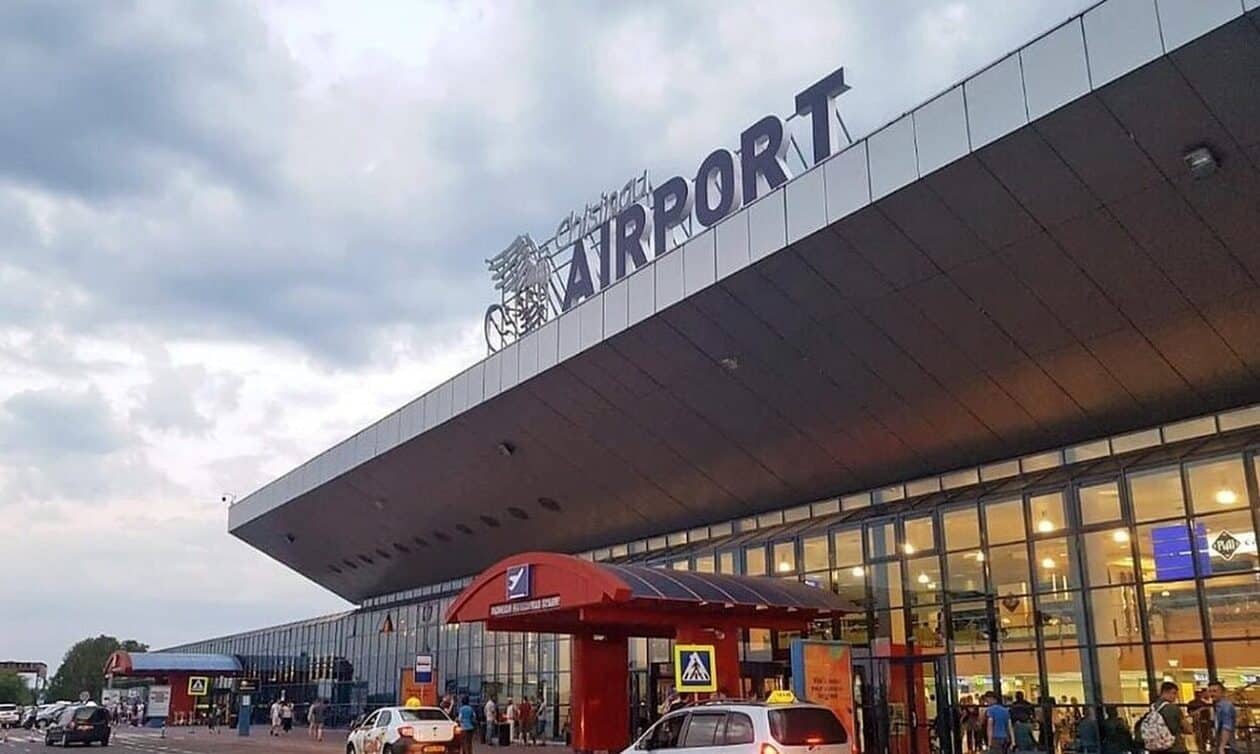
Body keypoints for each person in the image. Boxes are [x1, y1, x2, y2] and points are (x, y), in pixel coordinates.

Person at [1143, 682, 1188, 754]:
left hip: (1156, 747)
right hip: (1174, 747)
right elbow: (1187, 728)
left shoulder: (1153, 707)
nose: (1175, 697)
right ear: (1165, 692)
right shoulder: (1173, 708)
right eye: (1174, 693)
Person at [1208, 681, 1237, 754]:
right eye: (1210, 691)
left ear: (1222, 692)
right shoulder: (1218, 706)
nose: (1212, 694)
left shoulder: (1226, 707)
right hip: (1223, 744)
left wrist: (1222, 747)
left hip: (1227, 746)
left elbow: (1226, 727)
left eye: (1215, 691)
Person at [1188, 690, 1213, 754]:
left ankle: (1205, 750)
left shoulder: (1204, 702)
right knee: (1200, 739)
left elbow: (1208, 714)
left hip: (1206, 723)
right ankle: (1202, 751)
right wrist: (1200, 709)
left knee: (1206, 738)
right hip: (1198, 723)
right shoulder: (1192, 703)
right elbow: (1191, 713)